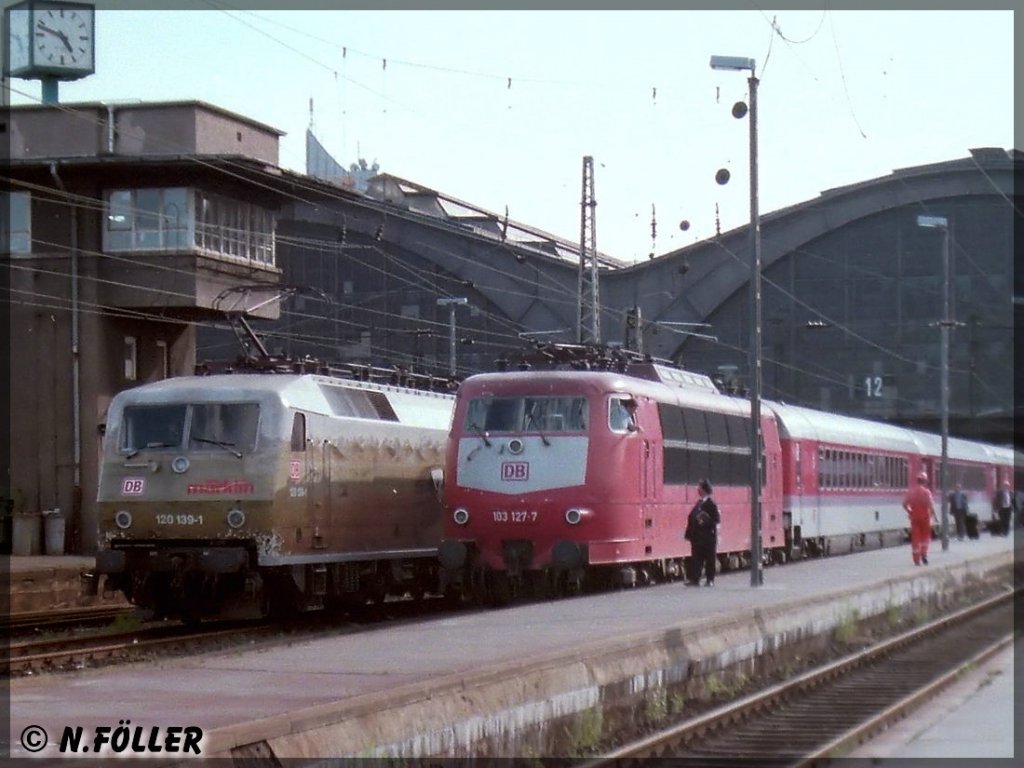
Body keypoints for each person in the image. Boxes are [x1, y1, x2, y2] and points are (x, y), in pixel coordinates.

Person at [684, 478, 721, 586]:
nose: (697, 489)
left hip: (708, 537)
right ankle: (695, 579)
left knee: (709, 559)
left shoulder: (711, 504)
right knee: (696, 559)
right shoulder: (699, 503)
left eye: (699, 487)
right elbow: (692, 517)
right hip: (697, 537)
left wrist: (705, 521)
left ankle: (710, 580)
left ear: (704, 489)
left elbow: (716, 519)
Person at [903, 471, 937, 565]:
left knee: (915, 539)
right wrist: (934, 515)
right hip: (925, 517)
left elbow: (904, 504)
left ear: (917, 481)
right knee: (925, 537)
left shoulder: (911, 492)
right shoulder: (927, 492)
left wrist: (910, 511)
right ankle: (924, 555)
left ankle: (916, 560)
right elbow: (930, 505)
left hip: (914, 518)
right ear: (925, 481)